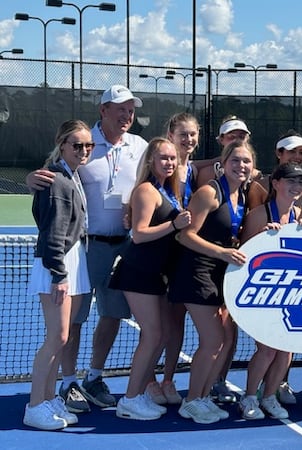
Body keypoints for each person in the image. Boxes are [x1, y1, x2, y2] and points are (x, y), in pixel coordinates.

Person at [26, 85, 148, 412]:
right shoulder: (83, 141)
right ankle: (66, 383)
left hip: (122, 247)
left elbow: (168, 173)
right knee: (69, 324)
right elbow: (51, 178)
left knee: (113, 314)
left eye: (131, 110)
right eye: (120, 109)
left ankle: (94, 376)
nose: (127, 115)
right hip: (81, 249)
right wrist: (31, 179)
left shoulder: (140, 146)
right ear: (103, 110)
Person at [169, 140, 255, 424]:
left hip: (218, 274)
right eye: (236, 160)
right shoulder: (209, 192)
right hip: (196, 273)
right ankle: (191, 401)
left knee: (219, 342)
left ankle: (203, 397)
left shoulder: (241, 196)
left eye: (246, 161)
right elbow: (185, 235)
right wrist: (222, 252)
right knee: (214, 340)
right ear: (223, 164)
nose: (241, 166)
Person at [109, 137, 191, 420]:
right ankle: (129, 399)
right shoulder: (146, 190)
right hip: (138, 272)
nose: (169, 163)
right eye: (164, 158)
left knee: (162, 334)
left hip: (157, 274)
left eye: (173, 158)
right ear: (151, 161)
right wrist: (174, 224)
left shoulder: (168, 191)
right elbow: (139, 233)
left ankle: (138, 394)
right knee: (154, 334)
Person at [24, 120, 92, 430]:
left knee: (63, 338)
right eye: (76, 145)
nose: (83, 150)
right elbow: (52, 234)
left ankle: (50, 398)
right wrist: (58, 275)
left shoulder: (71, 176)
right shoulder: (57, 180)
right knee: (57, 338)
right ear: (62, 144)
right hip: (59, 265)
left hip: (71, 262)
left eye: (88, 145)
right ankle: (35, 405)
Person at [238, 162, 302, 420]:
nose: (296, 187)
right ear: (276, 183)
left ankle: (269, 396)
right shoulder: (259, 214)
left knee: (287, 347)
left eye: (300, 182)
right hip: (261, 294)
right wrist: (261, 236)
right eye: (290, 181)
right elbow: (243, 256)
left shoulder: (301, 213)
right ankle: (249, 397)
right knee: (268, 349)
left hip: (289, 294)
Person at [144, 113, 202, 406]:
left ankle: (168, 380)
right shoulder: (158, 167)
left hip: (182, 257)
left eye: (193, 134)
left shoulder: (193, 169)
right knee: (155, 326)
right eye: (183, 134)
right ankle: (148, 381)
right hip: (158, 257)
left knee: (176, 323)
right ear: (170, 133)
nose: (189, 140)